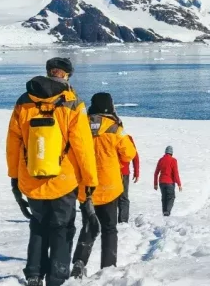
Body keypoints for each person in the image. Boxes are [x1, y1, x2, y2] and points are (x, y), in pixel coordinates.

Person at [7, 57, 97, 286]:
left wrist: (14, 177)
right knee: (62, 228)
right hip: (64, 180)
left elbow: (13, 144)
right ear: (66, 75)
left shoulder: (24, 102)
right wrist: (89, 181)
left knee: (38, 226)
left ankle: (34, 275)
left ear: (48, 72)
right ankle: (57, 278)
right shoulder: (72, 103)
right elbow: (83, 148)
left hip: (31, 177)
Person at [71, 93, 137, 279]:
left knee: (88, 226)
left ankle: (79, 262)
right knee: (109, 228)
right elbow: (129, 154)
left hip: (86, 188)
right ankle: (108, 268)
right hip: (109, 187)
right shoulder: (114, 128)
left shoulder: (81, 124)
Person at [154, 146, 182, 217]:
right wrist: (179, 184)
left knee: (164, 197)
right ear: (172, 153)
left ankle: (164, 212)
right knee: (171, 197)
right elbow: (175, 173)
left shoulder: (161, 160)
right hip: (170, 182)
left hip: (161, 182)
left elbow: (156, 173)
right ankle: (167, 212)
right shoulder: (173, 160)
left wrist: (155, 184)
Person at [118, 135, 139, 224]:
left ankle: (110, 222)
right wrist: (136, 172)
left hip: (110, 172)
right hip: (123, 172)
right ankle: (123, 222)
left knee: (110, 198)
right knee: (123, 198)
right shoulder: (127, 138)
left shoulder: (105, 134)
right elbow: (134, 155)